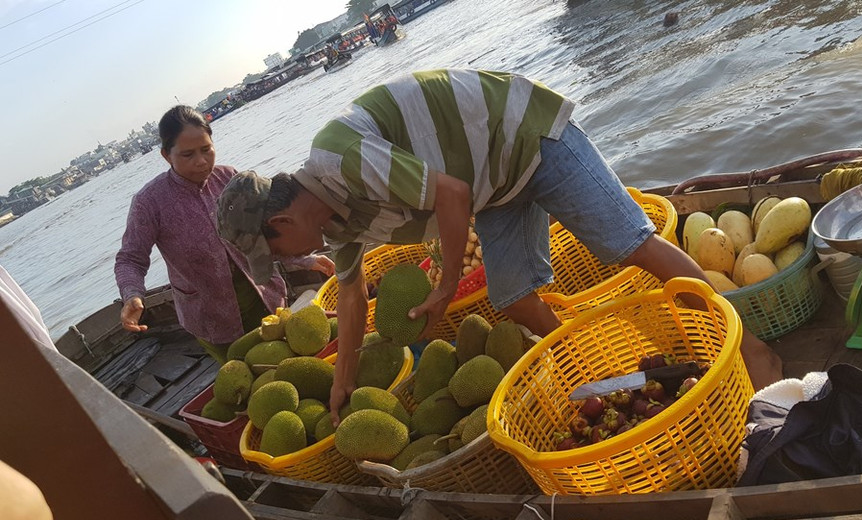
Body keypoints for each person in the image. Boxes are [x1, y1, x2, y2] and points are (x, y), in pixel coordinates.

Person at [215, 69, 783, 422]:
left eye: (280, 250)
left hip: (526, 136)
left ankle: (755, 349)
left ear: (284, 219)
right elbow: (352, 295)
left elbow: (451, 193)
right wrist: (343, 382)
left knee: (629, 244)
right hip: (497, 188)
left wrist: (442, 287)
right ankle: (609, 376)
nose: (291, 260)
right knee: (513, 298)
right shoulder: (337, 224)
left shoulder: (338, 156)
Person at [115, 105, 334, 364]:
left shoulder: (230, 178)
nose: (201, 161)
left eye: (206, 149)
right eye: (187, 155)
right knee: (244, 374)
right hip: (210, 317)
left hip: (265, 295)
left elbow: (270, 232)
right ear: (166, 156)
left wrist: (304, 260)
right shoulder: (149, 202)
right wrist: (132, 295)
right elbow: (130, 258)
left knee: (291, 361)